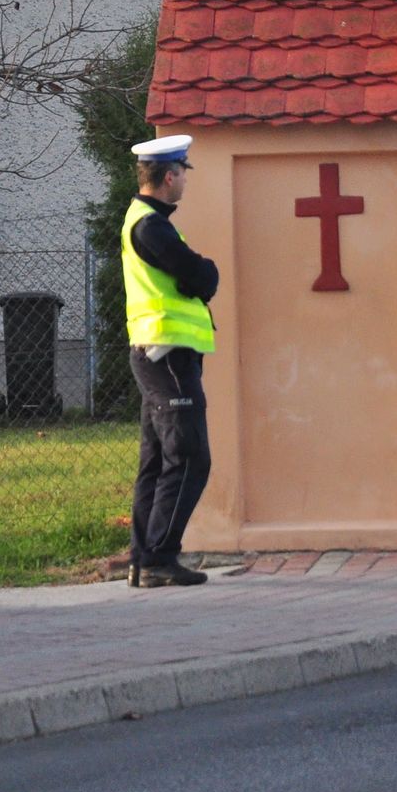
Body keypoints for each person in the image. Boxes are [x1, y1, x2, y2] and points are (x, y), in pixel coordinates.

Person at [122, 134, 219, 587]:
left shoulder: (147, 221)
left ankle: (144, 560)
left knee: (158, 461)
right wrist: (204, 273)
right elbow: (198, 275)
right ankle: (159, 557)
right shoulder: (151, 226)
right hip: (167, 356)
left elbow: (188, 276)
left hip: (158, 354)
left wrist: (196, 276)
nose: (184, 182)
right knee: (189, 458)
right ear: (169, 176)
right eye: (182, 173)